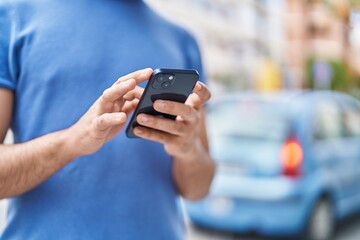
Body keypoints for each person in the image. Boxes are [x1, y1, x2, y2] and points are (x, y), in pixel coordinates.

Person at [0, 0, 215, 239]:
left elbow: (199, 190)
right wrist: (71, 142)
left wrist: (188, 150)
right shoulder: (11, 17)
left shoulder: (182, 40)